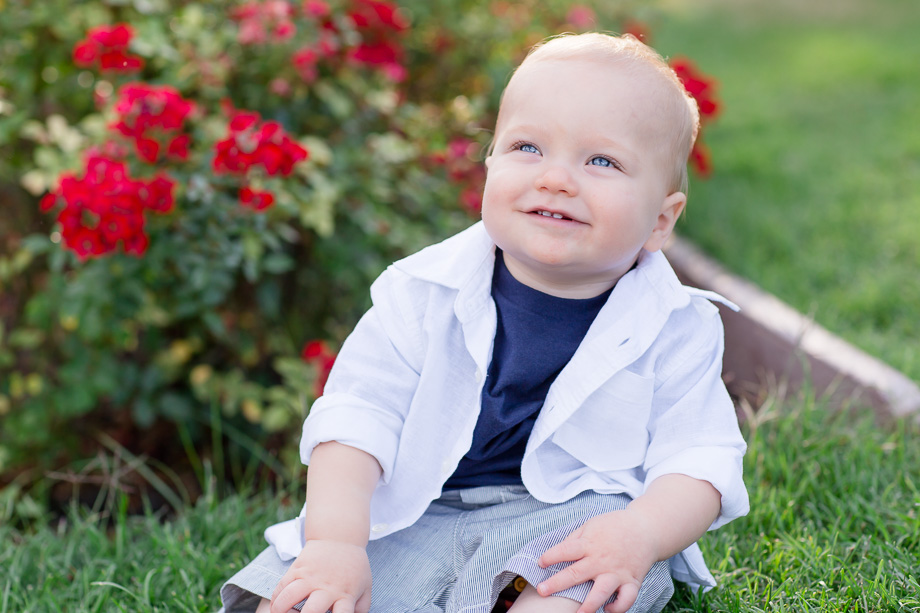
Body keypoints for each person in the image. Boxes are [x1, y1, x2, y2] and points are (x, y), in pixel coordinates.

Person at [218, 32, 748, 613]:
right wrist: (335, 542)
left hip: (575, 522)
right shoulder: (420, 293)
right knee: (309, 594)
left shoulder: (677, 326)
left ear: (661, 221)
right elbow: (357, 419)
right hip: (413, 516)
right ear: (490, 163)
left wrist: (641, 533)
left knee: (582, 587)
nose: (555, 178)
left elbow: (698, 460)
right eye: (528, 147)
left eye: (602, 161)